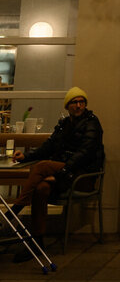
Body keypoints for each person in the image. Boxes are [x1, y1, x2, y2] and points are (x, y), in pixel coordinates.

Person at [9, 87, 104, 262]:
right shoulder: (64, 124)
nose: (78, 106)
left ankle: (12, 213)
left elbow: (84, 154)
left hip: (82, 177)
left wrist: (61, 174)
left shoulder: (92, 123)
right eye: (74, 102)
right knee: (41, 188)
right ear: (67, 106)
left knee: (43, 166)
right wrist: (26, 157)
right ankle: (37, 243)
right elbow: (49, 146)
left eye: (81, 102)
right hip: (65, 175)